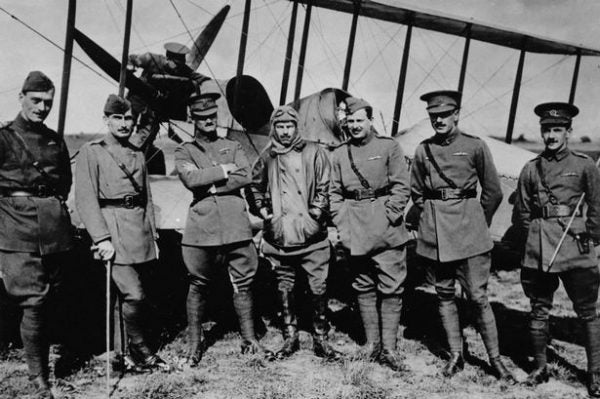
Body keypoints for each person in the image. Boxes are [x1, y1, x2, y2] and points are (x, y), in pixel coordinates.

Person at [410, 90, 515, 382]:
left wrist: (476, 221)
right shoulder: (423, 150)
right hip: (437, 237)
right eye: (433, 116)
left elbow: (492, 192)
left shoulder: (474, 146)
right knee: (444, 295)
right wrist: (432, 219)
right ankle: (456, 354)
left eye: (444, 114)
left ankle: (495, 360)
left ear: (456, 114)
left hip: (470, 235)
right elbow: (417, 193)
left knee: (478, 297)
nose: (439, 120)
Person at [175, 92, 271, 366]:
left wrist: (214, 183)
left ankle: (249, 339)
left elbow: (246, 175)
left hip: (235, 224)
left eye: (212, 117)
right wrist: (223, 170)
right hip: (202, 227)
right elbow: (191, 180)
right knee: (198, 284)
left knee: (244, 281)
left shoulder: (232, 145)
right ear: (193, 118)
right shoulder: (185, 150)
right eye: (202, 117)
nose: (208, 121)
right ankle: (195, 343)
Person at [512, 102, 600, 396]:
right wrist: (532, 240)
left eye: (557, 130)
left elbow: (598, 206)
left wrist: (593, 236)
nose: (551, 136)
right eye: (547, 130)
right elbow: (522, 213)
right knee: (538, 311)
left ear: (568, 132)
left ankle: (595, 374)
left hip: (575, 246)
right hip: (540, 250)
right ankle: (539, 368)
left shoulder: (584, 165)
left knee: (587, 312)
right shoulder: (531, 169)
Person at [75, 94, 167, 372]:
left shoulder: (138, 152)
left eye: (129, 118)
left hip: (137, 228)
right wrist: (101, 238)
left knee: (123, 296)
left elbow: (146, 196)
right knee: (134, 294)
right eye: (118, 118)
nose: (125, 124)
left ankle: (121, 353)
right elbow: (85, 197)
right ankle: (140, 348)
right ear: (106, 120)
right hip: (112, 227)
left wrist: (153, 233)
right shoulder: (93, 151)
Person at [247, 105, 342, 361]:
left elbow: (325, 185)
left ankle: (321, 337)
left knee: (318, 286)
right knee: (284, 287)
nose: (286, 131)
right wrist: (266, 214)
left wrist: (315, 216)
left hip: (311, 235)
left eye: (290, 126)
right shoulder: (268, 156)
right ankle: (290, 336)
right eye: (280, 126)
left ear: (296, 127)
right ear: (274, 128)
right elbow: (254, 187)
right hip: (280, 237)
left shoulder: (314, 151)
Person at [0, 71, 73, 398]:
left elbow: (64, 184)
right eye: (36, 100)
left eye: (48, 102)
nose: (42, 108)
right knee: (34, 302)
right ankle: (38, 380)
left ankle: (41, 368)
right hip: (16, 230)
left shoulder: (55, 139)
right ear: (22, 97)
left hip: (53, 230)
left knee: (50, 300)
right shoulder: (4, 139)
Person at [329, 97, 411, 371]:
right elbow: (334, 193)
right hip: (355, 227)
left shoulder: (389, 147)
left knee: (391, 287)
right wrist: (342, 224)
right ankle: (371, 344)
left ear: (370, 121)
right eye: (350, 121)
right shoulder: (339, 153)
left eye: (359, 120)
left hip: (386, 228)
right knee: (362, 285)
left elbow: (401, 186)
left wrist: (389, 215)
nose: (354, 126)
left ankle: (389, 348)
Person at [127, 42, 208, 172]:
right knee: (127, 124)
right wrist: (130, 66)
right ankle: (124, 153)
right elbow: (131, 59)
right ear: (168, 58)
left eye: (181, 64)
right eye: (176, 64)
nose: (178, 68)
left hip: (154, 106)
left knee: (148, 132)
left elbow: (201, 79)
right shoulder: (150, 58)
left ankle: (139, 156)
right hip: (137, 99)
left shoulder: (183, 69)